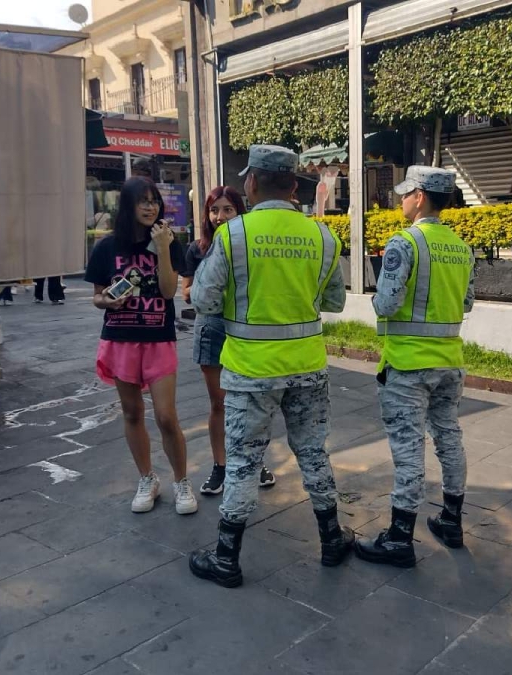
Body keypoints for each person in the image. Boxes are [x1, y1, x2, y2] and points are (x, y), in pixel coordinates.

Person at [187, 144, 352, 588]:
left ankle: (226, 558)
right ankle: (332, 540)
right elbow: (334, 300)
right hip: (308, 368)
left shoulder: (233, 235)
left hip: (249, 371)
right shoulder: (323, 237)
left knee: (242, 463)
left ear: (253, 183)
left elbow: (201, 299)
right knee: (314, 453)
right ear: (294, 185)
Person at [354, 166, 476, 569]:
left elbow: (386, 304)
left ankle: (400, 538)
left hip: (408, 365)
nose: (401, 199)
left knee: (408, 451)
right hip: (450, 363)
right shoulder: (461, 247)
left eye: (406, 193)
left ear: (420, 196)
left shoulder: (404, 244)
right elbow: (467, 303)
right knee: (449, 439)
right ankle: (452, 521)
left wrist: (379, 303)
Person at [84, 177, 198, 516]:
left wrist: (162, 248)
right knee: (132, 412)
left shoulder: (168, 242)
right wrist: (107, 302)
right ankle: (147, 478)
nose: (150, 207)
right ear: (128, 206)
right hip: (120, 338)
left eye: (154, 201)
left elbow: (166, 291)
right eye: (142, 201)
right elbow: (97, 296)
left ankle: (181, 481)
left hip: (157, 337)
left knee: (166, 416)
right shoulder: (106, 248)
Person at [182, 186, 277, 496]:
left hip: (246, 327)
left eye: (228, 209)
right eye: (214, 210)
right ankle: (220, 466)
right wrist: (203, 291)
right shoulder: (198, 249)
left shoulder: (249, 244)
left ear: (239, 211)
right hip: (211, 327)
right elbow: (187, 292)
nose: (220, 216)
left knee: (252, 400)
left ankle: (254, 461)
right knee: (219, 403)